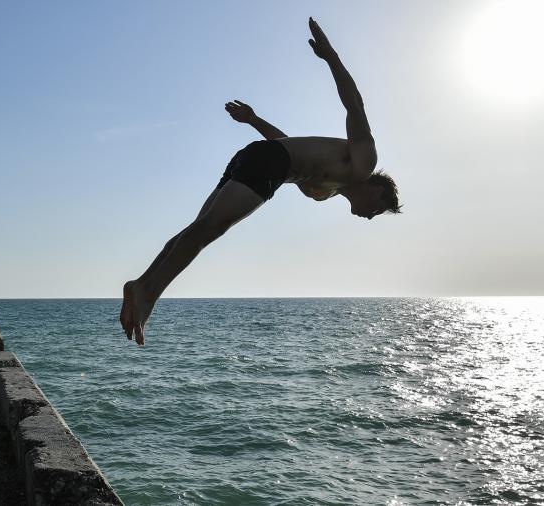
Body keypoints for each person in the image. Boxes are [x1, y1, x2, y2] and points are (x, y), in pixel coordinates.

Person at [120, 18, 401, 345]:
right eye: (378, 208)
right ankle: (147, 293)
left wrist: (253, 120)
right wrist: (331, 58)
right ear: (378, 189)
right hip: (268, 162)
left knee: (199, 228)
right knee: (210, 228)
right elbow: (355, 105)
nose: (371, 216)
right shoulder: (364, 163)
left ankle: (143, 284)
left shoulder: (324, 192)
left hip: (259, 157)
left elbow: (288, 144)